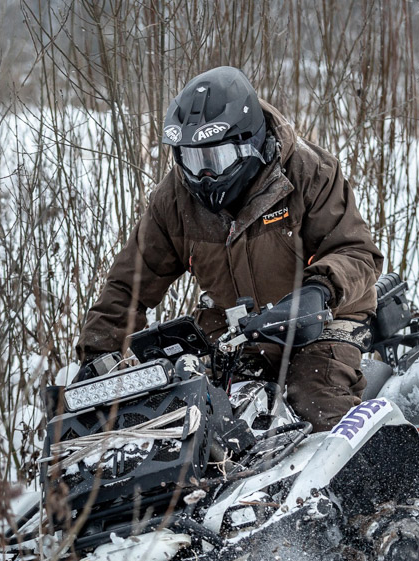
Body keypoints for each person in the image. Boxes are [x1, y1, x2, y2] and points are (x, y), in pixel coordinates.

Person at [75, 66, 383, 431]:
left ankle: (379, 485)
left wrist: (319, 290)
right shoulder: (174, 199)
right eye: (192, 159)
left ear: (250, 143)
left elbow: (358, 253)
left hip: (324, 319)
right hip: (237, 332)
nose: (204, 175)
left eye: (216, 159)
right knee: (187, 412)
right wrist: (96, 357)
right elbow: (129, 286)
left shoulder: (309, 173)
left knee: (316, 398)